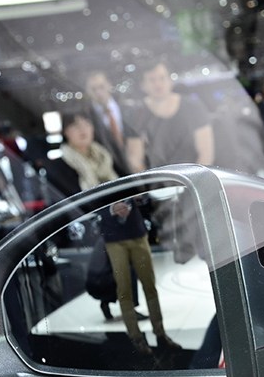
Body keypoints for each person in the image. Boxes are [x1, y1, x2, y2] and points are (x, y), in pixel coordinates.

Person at [60, 111, 182, 357]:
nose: (82, 130)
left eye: (85, 123)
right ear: (66, 132)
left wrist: (135, 196)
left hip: (133, 227)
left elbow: (130, 184)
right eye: (75, 126)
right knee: (123, 289)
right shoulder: (64, 163)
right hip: (109, 234)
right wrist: (109, 207)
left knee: (149, 286)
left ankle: (161, 334)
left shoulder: (106, 155)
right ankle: (136, 340)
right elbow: (75, 202)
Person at [132, 61, 215, 169]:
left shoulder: (193, 107)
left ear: (170, 80)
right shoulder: (137, 115)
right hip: (157, 177)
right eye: (152, 80)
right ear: (143, 86)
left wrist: (196, 177)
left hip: (194, 174)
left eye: (162, 78)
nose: (158, 84)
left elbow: (206, 153)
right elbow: (135, 159)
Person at [83, 71, 139, 176]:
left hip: (137, 167)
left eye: (101, 87)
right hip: (109, 172)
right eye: (93, 89)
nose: (98, 92)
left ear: (109, 85)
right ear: (88, 91)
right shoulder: (87, 118)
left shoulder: (128, 109)